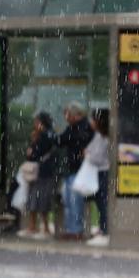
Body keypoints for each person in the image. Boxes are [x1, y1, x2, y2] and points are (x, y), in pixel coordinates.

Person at [55, 101, 94, 241]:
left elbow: (72, 139)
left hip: (81, 170)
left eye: (68, 114)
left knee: (75, 200)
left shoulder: (84, 126)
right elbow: (60, 141)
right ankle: (70, 228)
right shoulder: (72, 127)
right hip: (73, 169)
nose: (66, 117)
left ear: (76, 114)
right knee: (68, 200)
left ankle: (76, 229)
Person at [17, 112, 57, 240]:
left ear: (42, 123)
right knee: (39, 200)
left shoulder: (44, 136)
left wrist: (32, 149)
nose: (35, 124)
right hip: (45, 171)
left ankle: (40, 227)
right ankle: (39, 226)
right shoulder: (51, 134)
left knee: (37, 199)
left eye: (37, 122)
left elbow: (33, 154)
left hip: (41, 172)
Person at [85, 109, 110, 247]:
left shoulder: (104, 138)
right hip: (98, 172)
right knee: (100, 202)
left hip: (103, 172)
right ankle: (102, 228)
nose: (91, 122)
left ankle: (105, 230)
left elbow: (98, 157)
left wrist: (88, 155)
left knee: (103, 202)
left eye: (93, 119)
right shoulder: (98, 135)